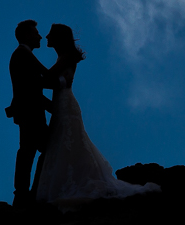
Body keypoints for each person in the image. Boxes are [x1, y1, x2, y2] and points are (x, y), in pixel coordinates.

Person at [35, 24, 155, 208]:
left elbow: (50, 78)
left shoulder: (66, 57)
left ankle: (66, 183)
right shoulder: (64, 57)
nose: (46, 36)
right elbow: (55, 80)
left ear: (58, 37)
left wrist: (33, 71)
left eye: (50, 34)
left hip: (66, 105)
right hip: (62, 104)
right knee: (65, 143)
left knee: (68, 143)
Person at [7, 20, 54, 206]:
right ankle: (27, 193)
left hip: (30, 111)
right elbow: (39, 83)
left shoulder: (23, 54)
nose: (40, 36)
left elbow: (39, 81)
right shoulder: (22, 54)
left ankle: (27, 192)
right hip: (30, 112)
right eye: (36, 33)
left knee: (32, 150)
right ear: (27, 35)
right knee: (37, 150)